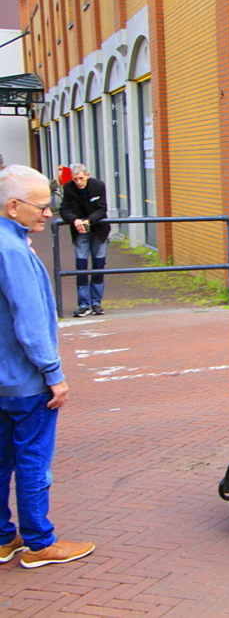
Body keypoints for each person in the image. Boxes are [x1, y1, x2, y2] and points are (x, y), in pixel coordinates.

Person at [0, 165, 95, 568]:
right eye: (40, 206)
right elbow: (31, 320)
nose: (48, 213)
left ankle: (5, 538)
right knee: (33, 462)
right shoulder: (14, 252)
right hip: (25, 382)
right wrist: (53, 375)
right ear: (12, 205)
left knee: (2, 460)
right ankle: (40, 542)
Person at [59, 164, 110, 317]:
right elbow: (64, 209)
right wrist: (74, 220)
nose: (79, 182)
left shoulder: (98, 185)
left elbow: (102, 208)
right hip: (80, 230)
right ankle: (83, 303)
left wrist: (89, 220)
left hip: (98, 229)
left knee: (98, 264)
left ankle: (96, 302)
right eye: (75, 179)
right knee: (81, 265)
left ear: (87, 175)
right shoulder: (68, 188)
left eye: (81, 178)